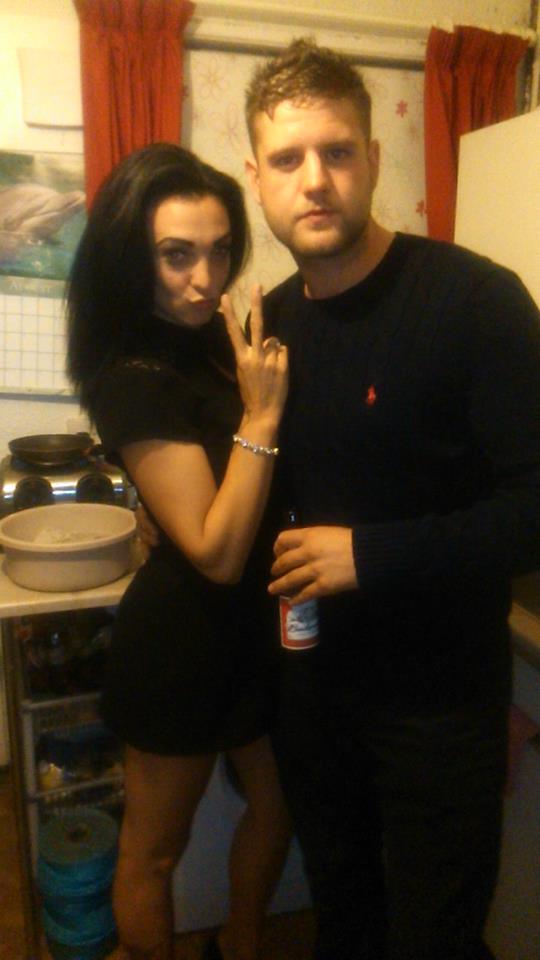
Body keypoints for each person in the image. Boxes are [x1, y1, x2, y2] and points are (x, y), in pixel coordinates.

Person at [242, 38, 540, 960]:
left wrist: (370, 555)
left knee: (435, 940)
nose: (314, 180)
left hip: (439, 710)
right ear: (256, 179)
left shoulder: (474, 302)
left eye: (337, 151)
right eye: (287, 159)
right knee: (345, 920)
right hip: (314, 700)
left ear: (373, 159)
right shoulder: (268, 324)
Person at [66, 142, 291, 960]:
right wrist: (261, 418)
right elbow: (217, 552)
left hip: (257, 630)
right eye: (177, 255)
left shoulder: (216, 342)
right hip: (182, 645)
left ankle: (241, 943)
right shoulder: (131, 373)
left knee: (279, 807)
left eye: (220, 250)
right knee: (154, 852)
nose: (204, 278)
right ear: (134, 258)